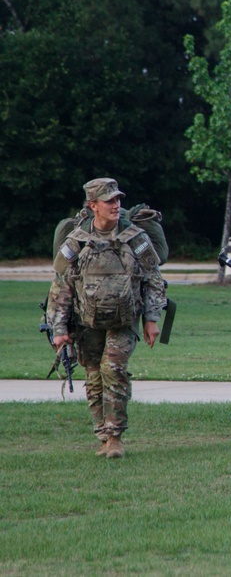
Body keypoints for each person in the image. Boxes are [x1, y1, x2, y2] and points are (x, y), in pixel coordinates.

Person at [48, 178, 166, 458]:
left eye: (117, 200)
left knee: (113, 370)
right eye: (109, 201)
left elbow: (153, 279)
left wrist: (152, 318)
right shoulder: (76, 241)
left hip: (124, 321)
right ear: (93, 205)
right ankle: (102, 434)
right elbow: (61, 286)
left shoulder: (135, 237)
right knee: (93, 376)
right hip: (87, 323)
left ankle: (115, 437)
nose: (116, 205)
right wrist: (59, 327)